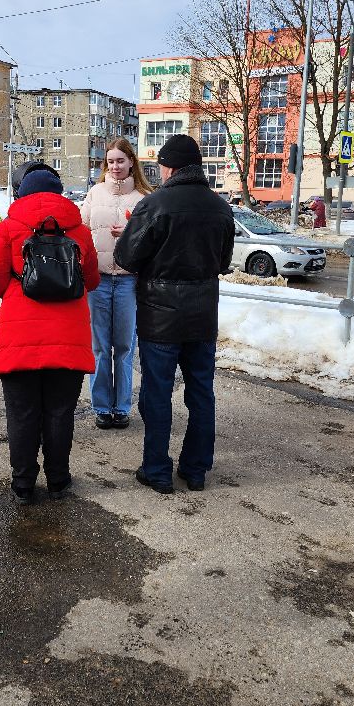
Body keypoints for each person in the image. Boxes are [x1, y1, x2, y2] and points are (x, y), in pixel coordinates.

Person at [114, 134, 234, 494]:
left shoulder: (155, 204)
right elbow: (223, 261)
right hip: (202, 315)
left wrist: (130, 236)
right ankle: (196, 471)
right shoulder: (220, 206)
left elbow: (126, 258)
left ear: (169, 167)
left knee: (157, 392)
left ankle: (157, 470)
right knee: (201, 393)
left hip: (159, 316)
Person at [0, 166, 100, 503]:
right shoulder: (81, 232)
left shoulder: (7, 229)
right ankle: (59, 481)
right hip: (69, 338)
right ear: (59, 194)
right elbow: (92, 282)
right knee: (60, 413)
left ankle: (23, 485)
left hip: (19, 339)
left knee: (23, 414)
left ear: (22, 193)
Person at [81, 138, 152, 429]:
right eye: (110, 161)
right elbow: (80, 229)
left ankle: (121, 407)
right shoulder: (94, 193)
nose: (115, 166)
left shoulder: (144, 198)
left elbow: (153, 240)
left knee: (123, 347)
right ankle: (101, 407)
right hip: (97, 281)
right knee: (99, 348)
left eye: (120, 160)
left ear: (131, 162)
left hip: (127, 281)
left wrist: (132, 232)